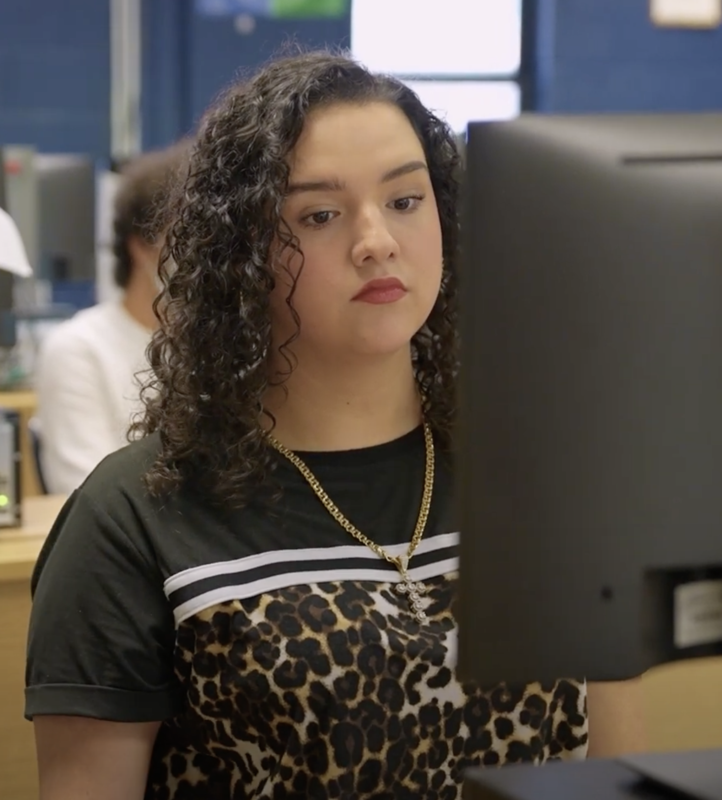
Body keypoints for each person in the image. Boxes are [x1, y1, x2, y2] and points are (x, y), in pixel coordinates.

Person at [25, 51, 645, 800]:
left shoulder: (541, 479)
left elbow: (616, 775)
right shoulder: (133, 519)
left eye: (406, 201)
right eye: (320, 215)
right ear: (242, 256)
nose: (376, 240)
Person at [34, 142, 188, 495]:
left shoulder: (226, 347)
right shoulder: (79, 349)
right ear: (141, 246)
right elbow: (88, 493)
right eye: (188, 239)